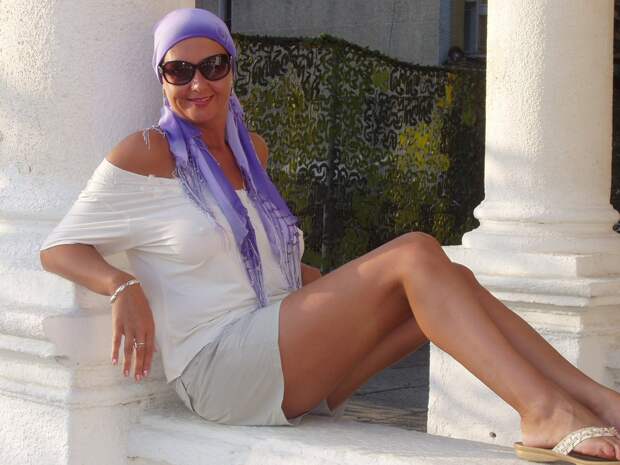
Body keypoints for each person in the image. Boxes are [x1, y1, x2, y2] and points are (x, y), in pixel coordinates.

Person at [39, 8, 620, 465]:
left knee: (451, 277)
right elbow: (58, 247)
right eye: (179, 71)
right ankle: (542, 412)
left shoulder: (252, 151)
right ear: (162, 79)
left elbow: (266, 262)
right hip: (220, 371)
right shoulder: (146, 153)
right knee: (416, 253)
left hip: (285, 352)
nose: (198, 83)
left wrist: (347, 289)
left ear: (233, 68)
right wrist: (121, 286)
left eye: (213, 65)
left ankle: (596, 401)